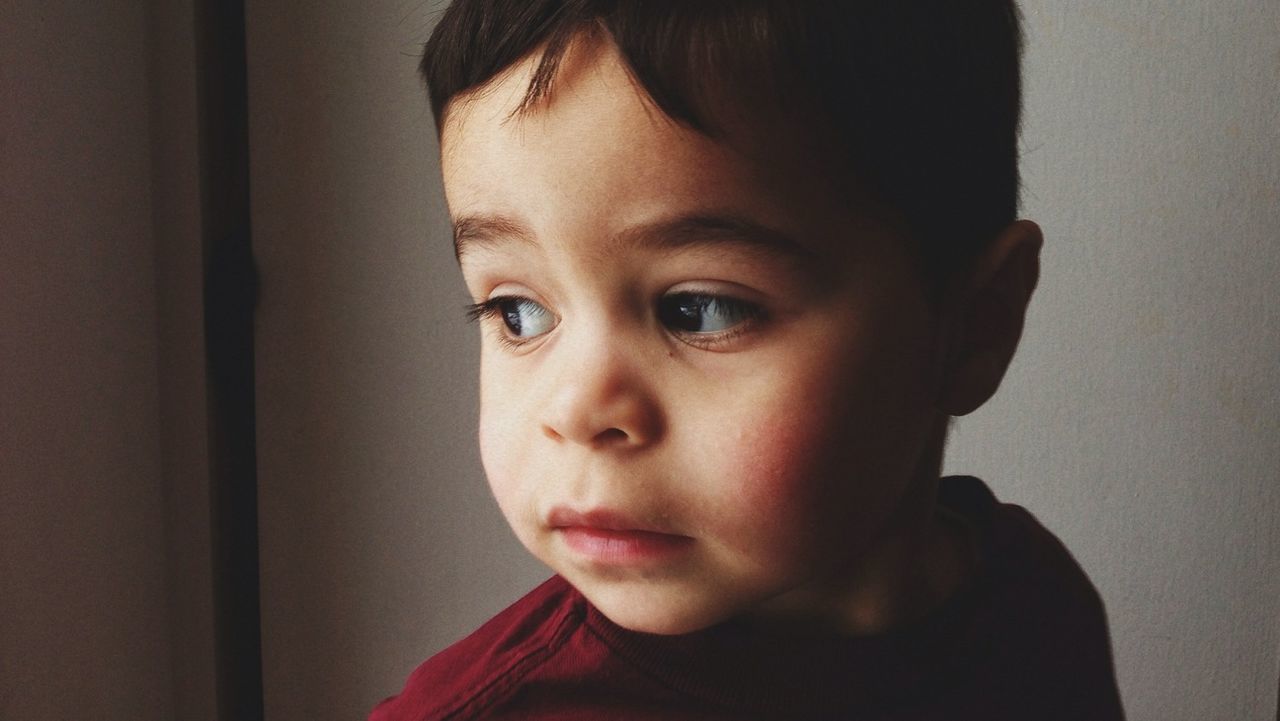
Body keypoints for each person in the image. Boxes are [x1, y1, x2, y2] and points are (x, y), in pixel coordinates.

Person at [371, 1, 1126, 718]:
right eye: (519, 311)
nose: (575, 410)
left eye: (700, 309)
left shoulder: (1036, 618)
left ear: (974, 327)